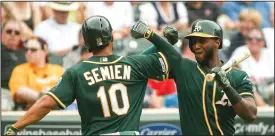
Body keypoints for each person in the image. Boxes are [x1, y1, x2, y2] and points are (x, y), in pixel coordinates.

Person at [5, 15, 172, 135]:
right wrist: (164, 38)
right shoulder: (135, 65)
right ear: (111, 37)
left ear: (86, 44)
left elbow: (45, 104)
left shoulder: (77, 72)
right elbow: (168, 56)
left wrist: (15, 127)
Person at [131, 20, 257, 135]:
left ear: (217, 42)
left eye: (202, 41)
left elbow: (250, 114)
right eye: (193, 41)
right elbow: (139, 65)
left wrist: (226, 86)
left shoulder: (238, 76)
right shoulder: (183, 67)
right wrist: (158, 41)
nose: (196, 46)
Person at [9, 37, 64, 110]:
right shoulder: (20, 69)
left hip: (59, 111)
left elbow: (67, 90)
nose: (28, 53)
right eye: (26, 50)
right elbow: (20, 91)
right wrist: (43, 98)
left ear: (45, 51)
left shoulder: (59, 69)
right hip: (30, 111)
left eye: (33, 50)